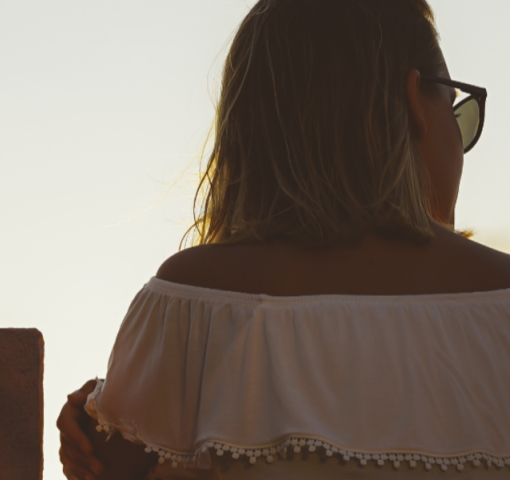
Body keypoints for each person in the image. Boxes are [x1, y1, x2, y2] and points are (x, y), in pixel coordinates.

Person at [58, 0, 510, 478]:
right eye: (457, 114)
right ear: (415, 101)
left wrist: (103, 425)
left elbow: (116, 465)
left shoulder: (194, 303)